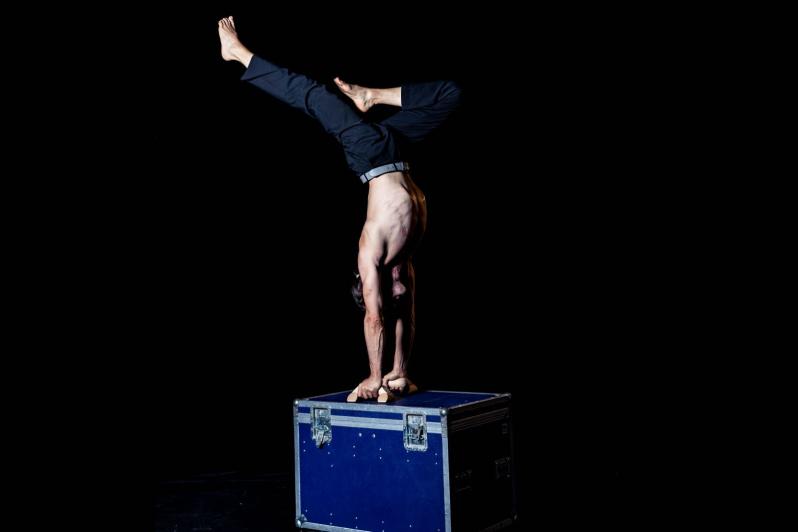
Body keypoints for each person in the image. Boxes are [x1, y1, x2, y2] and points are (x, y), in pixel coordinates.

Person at [217, 17, 462, 402]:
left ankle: (239, 54)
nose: (398, 294)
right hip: (396, 150)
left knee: (315, 97)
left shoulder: (371, 254)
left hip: (370, 153)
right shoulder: (404, 262)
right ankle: (372, 96)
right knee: (449, 94)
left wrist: (372, 377)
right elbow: (405, 319)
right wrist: (397, 374)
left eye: (385, 294)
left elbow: (375, 318)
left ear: (371, 290)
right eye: (397, 294)